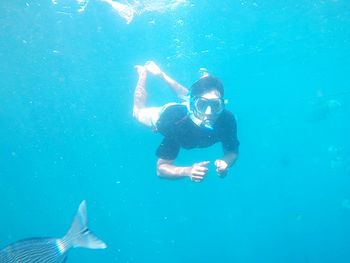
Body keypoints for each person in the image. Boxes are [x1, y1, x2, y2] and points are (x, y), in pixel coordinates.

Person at [133, 61, 239, 182]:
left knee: (193, 95)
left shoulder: (227, 119)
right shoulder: (177, 125)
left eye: (215, 105)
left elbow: (232, 151)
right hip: (168, 113)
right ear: (193, 106)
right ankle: (143, 74)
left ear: (222, 103)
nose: (209, 113)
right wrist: (187, 171)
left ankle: (162, 75)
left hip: (192, 105)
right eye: (202, 105)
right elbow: (161, 168)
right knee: (137, 113)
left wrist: (226, 162)